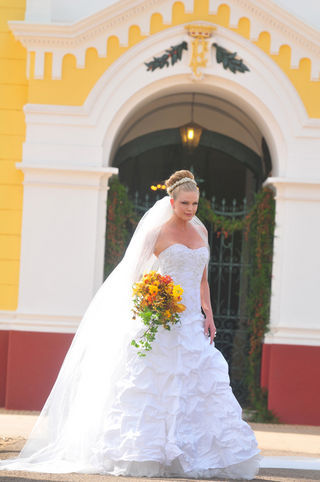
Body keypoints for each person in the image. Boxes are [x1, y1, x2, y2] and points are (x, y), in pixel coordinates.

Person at [0, 169, 263, 479]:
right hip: (161, 320)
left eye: (195, 204)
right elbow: (133, 276)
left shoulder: (202, 232)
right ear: (172, 201)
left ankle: (195, 453)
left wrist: (209, 312)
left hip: (192, 320)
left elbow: (203, 279)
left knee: (200, 383)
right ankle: (147, 452)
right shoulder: (157, 234)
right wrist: (151, 301)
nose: (191, 210)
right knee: (153, 386)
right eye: (185, 204)